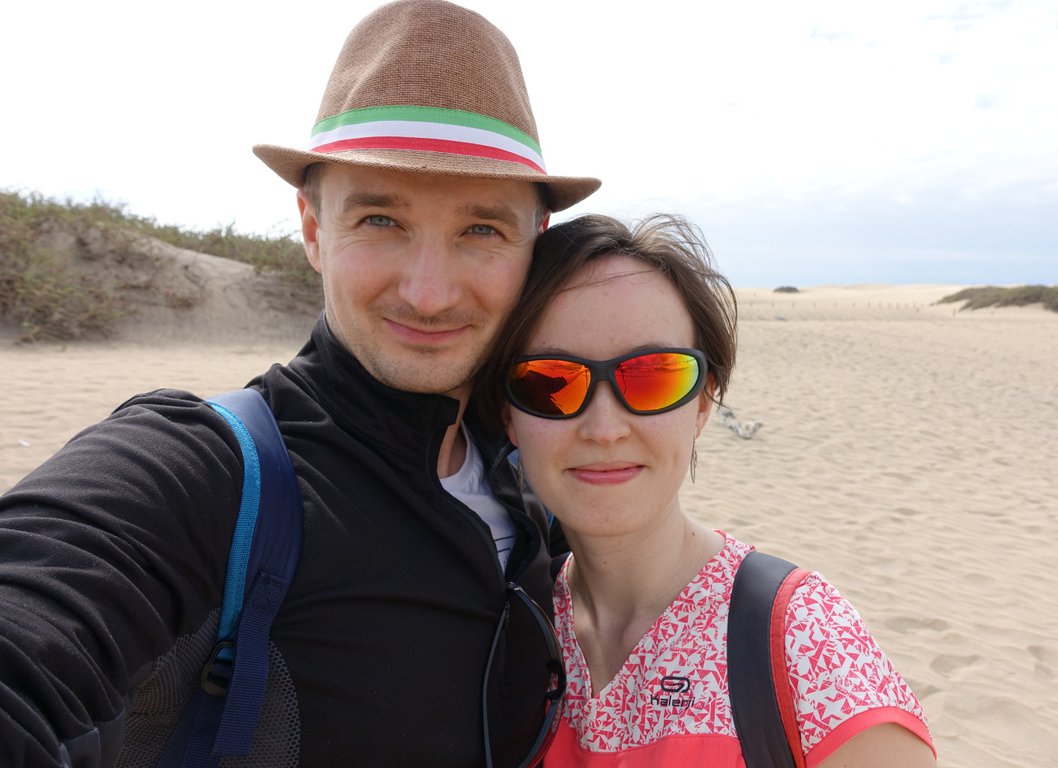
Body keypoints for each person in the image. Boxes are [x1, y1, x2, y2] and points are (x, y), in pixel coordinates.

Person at [0, 2, 599, 766]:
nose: (429, 292)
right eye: (381, 220)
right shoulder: (209, 468)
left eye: (481, 230)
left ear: (533, 247)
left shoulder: (534, 475)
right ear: (315, 232)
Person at [478, 214, 938, 767]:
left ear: (702, 403)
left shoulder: (804, 641)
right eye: (549, 382)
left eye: (653, 376)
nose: (604, 428)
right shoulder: (509, 627)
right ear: (508, 413)